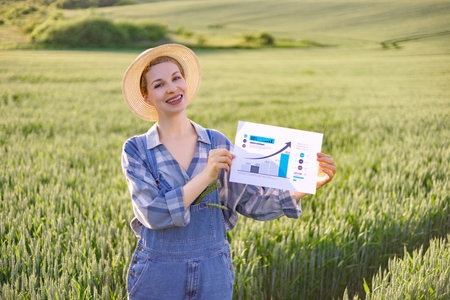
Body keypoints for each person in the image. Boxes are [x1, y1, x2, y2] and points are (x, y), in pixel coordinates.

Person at [121, 44, 336, 299]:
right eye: (159, 84)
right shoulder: (137, 150)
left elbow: (253, 202)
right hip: (158, 275)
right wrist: (206, 176)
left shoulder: (217, 142)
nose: (172, 88)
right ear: (147, 97)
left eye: (176, 78)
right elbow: (152, 214)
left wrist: (308, 184)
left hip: (213, 274)